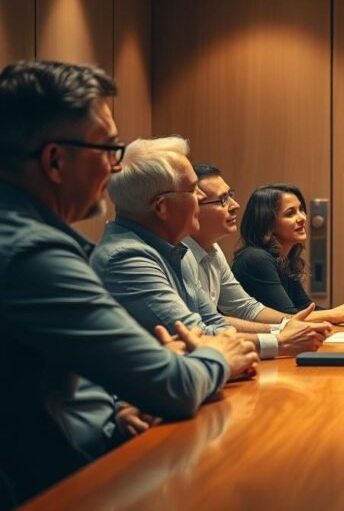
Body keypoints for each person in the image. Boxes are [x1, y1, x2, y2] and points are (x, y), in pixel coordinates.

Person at [0, 60, 256, 506]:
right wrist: (218, 356)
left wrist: (115, 407)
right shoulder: (33, 254)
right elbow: (170, 386)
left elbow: (44, 384)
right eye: (106, 150)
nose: (116, 169)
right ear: (56, 161)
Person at [91, 137, 325, 359]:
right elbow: (196, 335)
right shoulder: (126, 259)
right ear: (161, 207)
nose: (201, 196)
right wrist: (280, 341)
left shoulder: (175, 248)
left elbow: (215, 323)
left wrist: (281, 332)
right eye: (193, 190)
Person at [184, 164, 336, 358]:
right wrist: (280, 334)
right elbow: (206, 325)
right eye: (223, 199)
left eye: (231, 195)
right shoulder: (253, 258)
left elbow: (245, 308)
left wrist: (285, 326)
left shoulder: (214, 250)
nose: (235, 205)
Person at [232, 182, 344, 321]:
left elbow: (304, 307)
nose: (302, 218)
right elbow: (287, 318)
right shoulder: (255, 259)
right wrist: (335, 314)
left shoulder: (282, 258)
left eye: (301, 209)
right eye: (290, 213)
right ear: (266, 222)